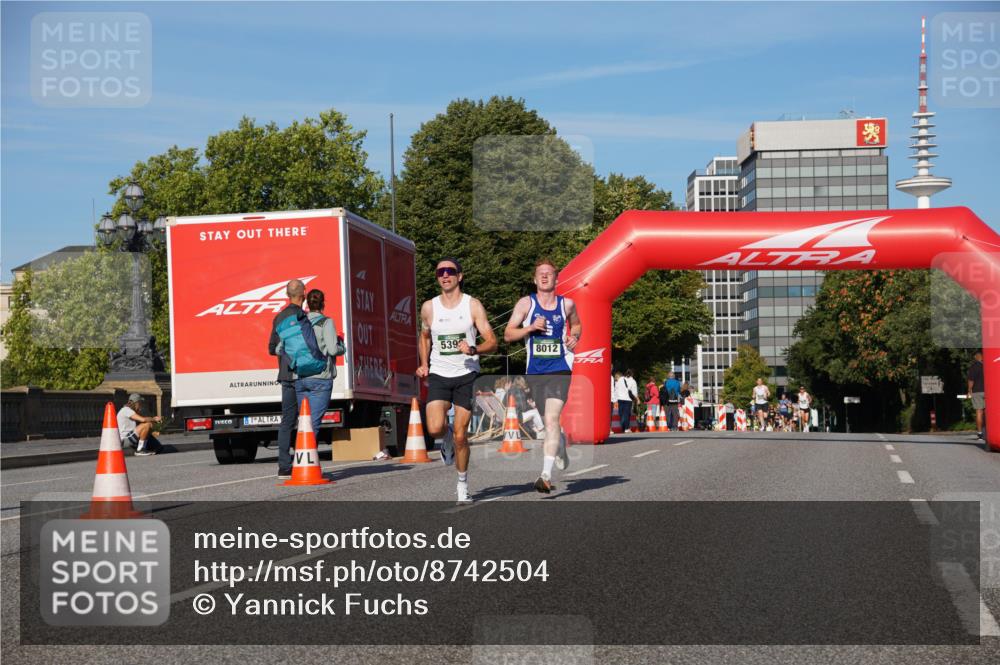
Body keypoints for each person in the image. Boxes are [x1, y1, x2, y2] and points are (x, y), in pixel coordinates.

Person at [417, 258, 497, 504]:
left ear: (459, 276)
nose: (445, 275)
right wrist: (424, 363)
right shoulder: (429, 307)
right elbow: (425, 336)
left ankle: (462, 483)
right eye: (440, 271)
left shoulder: (472, 305)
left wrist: (473, 350)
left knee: (463, 436)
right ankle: (447, 436)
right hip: (440, 373)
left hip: (466, 374)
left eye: (450, 271)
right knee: (434, 428)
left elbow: (492, 342)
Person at [504, 257, 581, 493]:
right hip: (535, 372)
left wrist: (574, 337)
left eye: (549, 273)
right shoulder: (525, 304)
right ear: (535, 279)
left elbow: (576, 325)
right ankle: (560, 443)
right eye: (541, 273)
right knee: (551, 425)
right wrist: (529, 328)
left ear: (556, 278)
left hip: (560, 369)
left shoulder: (566, 305)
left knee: (550, 419)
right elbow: (508, 334)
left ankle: (545, 475)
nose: (545, 276)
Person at [277, 289, 344, 440]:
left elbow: (279, 348)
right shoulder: (326, 322)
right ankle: (306, 458)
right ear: (323, 304)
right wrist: (342, 346)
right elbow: (333, 349)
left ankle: (302, 455)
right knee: (313, 423)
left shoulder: (299, 321)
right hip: (321, 378)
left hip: (300, 378)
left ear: (307, 303)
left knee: (304, 421)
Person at [268, 279, 307, 479]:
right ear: (304, 295)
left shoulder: (279, 317)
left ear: (287, 294)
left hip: (286, 375)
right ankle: (306, 460)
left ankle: (284, 466)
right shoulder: (302, 316)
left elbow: (270, 348)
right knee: (307, 419)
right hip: (304, 374)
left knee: (287, 421)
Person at [967, 350, 986, 440]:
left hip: (977, 391)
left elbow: (971, 380)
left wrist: (969, 390)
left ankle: (980, 434)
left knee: (979, 412)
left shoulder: (974, 367)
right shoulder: (987, 365)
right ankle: (988, 431)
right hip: (988, 391)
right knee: (988, 412)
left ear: (976, 356)